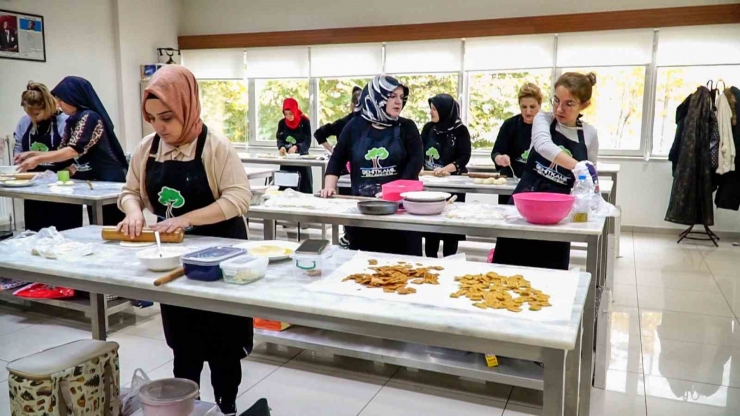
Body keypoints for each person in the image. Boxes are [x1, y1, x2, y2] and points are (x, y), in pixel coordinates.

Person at [117, 65, 252, 416]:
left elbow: (238, 198)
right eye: (151, 119)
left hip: (222, 261)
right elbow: (130, 191)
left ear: (188, 107)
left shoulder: (216, 148)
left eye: (167, 117)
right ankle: (184, 407)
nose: (159, 127)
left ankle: (227, 405)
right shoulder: (148, 149)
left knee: (224, 346)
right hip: (175, 263)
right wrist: (133, 212)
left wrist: (187, 218)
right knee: (184, 345)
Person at [493, 72, 599, 270]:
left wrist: (587, 199)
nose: (559, 108)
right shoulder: (543, 119)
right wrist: (577, 166)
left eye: (569, 104)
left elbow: (588, 177)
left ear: (584, 105)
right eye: (556, 100)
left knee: (550, 276)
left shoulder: (589, 134)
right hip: (523, 206)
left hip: (558, 215)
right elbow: (543, 145)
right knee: (507, 270)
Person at [321, 75, 423, 255]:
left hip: (400, 214)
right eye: (392, 96)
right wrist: (329, 187)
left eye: (401, 97)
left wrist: (393, 193)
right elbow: (337, 158)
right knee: (363, 270)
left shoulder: (407, 127)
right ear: (377, 97)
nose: (399, 101)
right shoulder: (355, 126)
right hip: (364, 212)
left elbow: (415, 163)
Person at [15, 76, 129, 225]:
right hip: (91, 181)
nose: (59, 104)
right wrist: (33, 153)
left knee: (111, 224)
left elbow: (73, 150)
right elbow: (61, 150)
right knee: (97, 226)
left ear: (73, 98)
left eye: (62, 100)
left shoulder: (90, 117)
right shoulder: (73, 120)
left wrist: (37, 159)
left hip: (108, 179)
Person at [11, 81, 83, 231]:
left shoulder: (66, 121)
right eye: (29, 114)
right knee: (36, 232)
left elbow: (76, 152)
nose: (33, 119)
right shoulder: (25, 123)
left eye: (36, 114)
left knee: (66, 233)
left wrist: (69, 171)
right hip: (34, 186)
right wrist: (19, 162)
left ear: (48, 106)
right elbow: (18, 146)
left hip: (62, 185)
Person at [420, 93, 471, 257]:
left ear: (445, 110)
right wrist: (419, 166)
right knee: (431, 228)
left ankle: (450, 262)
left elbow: (464, 156)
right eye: (431, 109)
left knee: (450, 229)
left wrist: (446, 169)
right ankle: (431, 262)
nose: (431, 112)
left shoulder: (460, 131)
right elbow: (419, 151)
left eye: (434, 109)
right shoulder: (429, 128)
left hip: (453, 184)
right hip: (431, 184)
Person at [491, 83, 543, 204]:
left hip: (538, 183)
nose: (528, 111)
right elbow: (495, 152)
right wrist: (500, 158)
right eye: (524, 107)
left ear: (540, 105)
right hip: (511, 180)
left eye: (532, 107)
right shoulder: (510, 125)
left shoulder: (547, 126)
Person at [276, 98, 313, 193]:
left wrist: (297, 147)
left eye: (290, 113)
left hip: (302, 160)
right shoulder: (282, 123)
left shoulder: (304, 122)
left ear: (295, 110)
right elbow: (279, 139)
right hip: (287, 161)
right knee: (285, 189)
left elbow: (308, 141)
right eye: (286, 114)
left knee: (303, 189)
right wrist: (282, 147)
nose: (288, 116)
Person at [313, 86, 362, 153]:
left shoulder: (342, 122)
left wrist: (332, 151)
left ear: (352, 105)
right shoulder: (372, 124)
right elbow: (319, 133)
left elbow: (319, 133)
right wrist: (332, 151)